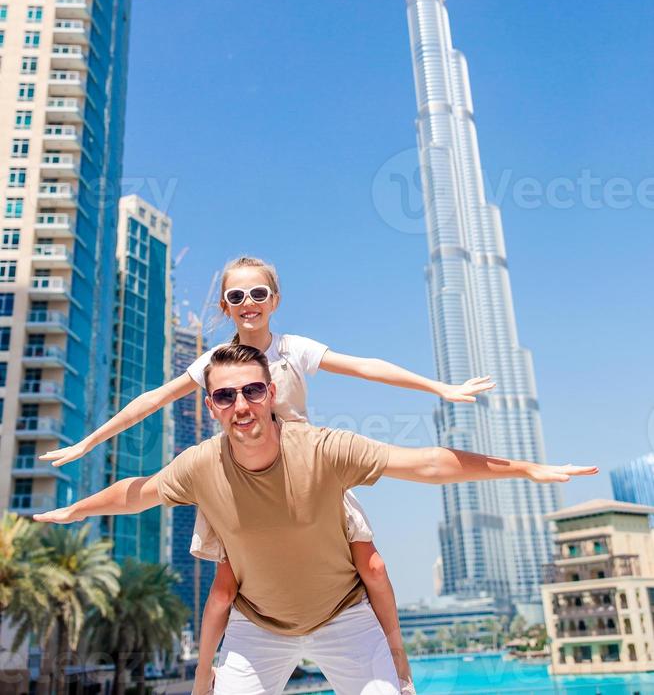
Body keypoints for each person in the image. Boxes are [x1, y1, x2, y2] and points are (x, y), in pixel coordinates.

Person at [40, 256, 495, 694]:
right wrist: (89, 442)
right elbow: (154, 398)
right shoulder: (216, 361)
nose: (248, 301)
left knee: (371, 565)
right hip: (242, 486)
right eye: (236, 294)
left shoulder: (292, 348)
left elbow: (365, 367)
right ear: (225, 306)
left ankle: (393, 656)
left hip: (307, 480)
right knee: (228, 587)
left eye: (258, 291)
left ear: (274, 298)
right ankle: (217, 670)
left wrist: (439, 387)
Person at [35, 343, 598, 695]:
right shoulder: (200, 464)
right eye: (225, 396)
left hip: (344, 619)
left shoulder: (324, 447)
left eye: (253, 390)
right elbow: (138, 493)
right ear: (210, 406)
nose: (241, 406)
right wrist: (77, 508)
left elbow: (426, 463)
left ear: (271, 392)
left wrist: (526, 469)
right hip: (258, 629)